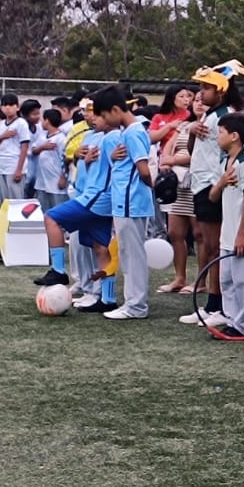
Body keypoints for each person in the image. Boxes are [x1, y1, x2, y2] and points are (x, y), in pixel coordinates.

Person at [181, 70, 244, 328]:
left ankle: (219, 305)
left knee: (215, 248)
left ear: (220, 91)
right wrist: (191, 130)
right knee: (209, 246)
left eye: (206, 88)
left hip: (213, 186)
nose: (200, 93)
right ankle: (213, 304)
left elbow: (229, 152)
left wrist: (219, 182)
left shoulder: (225, 116)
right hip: (202, 185)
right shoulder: (209, 115)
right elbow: (194, 150)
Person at [37, 108, 115, 300]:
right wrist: (80, 158)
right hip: (87, 194)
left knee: (51, 217)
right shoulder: (89, 135)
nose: (91, 117)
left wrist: (106, 158)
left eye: (96, 113)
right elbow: (86, 164)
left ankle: (58, 270)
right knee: (99, 248)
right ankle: (106, 298)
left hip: (96, 197)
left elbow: (110, 165)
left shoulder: (114, 136)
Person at [95, 87, 157, 321]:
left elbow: (143, 169)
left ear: (115, 110)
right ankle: (132, 302)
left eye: (104, 115)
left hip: (131, 201)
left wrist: (151, 187)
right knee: (127, 253)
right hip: (125, 201)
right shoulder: (129, 131)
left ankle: (136, 305)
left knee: (133, 254)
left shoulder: (133, 132)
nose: (104, 120)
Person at [209, 112, 244, 338]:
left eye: (221, 132)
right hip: (227, 232)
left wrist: (242, 235)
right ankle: (233, 320)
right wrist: (222, 182)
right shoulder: (225, 162)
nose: (217, 136)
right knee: (227, 280)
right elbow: (212, 196)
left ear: (234, 136)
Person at [155, 98, 201, 294]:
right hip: (178, 183)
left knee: (199, 234)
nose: (199, 103)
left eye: (202, 100)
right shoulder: (184, 125)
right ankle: (179, 278)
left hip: (197, 181)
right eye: (196, 100)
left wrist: (173, 160)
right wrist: (166, 159)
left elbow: (201, 154)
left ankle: (201, 280)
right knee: (175, 232)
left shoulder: (210, 125)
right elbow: (169, 144)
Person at [0, 93, 31, 203]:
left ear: (17, 107)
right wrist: (1, 137)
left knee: (16, 200)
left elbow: (24, 147)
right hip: (0, 167)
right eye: (5, 105)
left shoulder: (21, 123)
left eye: (11, 105)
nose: (7, 108)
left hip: (14, 166)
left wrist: (19, 170)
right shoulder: (0, 125)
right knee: (3, 201)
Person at [32, 108, 70, 211]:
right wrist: (42, 147)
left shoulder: (61, 139)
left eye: (43, 120)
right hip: (41, 182)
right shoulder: (42, 136)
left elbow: (67, 159)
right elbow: (34, 151)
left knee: (58, 210)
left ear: (47, 121)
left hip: (55, 181)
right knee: (44, 211)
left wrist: (63, 178)